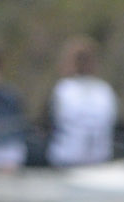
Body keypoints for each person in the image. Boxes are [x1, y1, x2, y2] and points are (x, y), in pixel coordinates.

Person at [46, 37, 117, 168]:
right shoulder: (105, 90)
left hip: (67, 159)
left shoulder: (63, 89)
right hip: (100, 158)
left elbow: (50, 123)